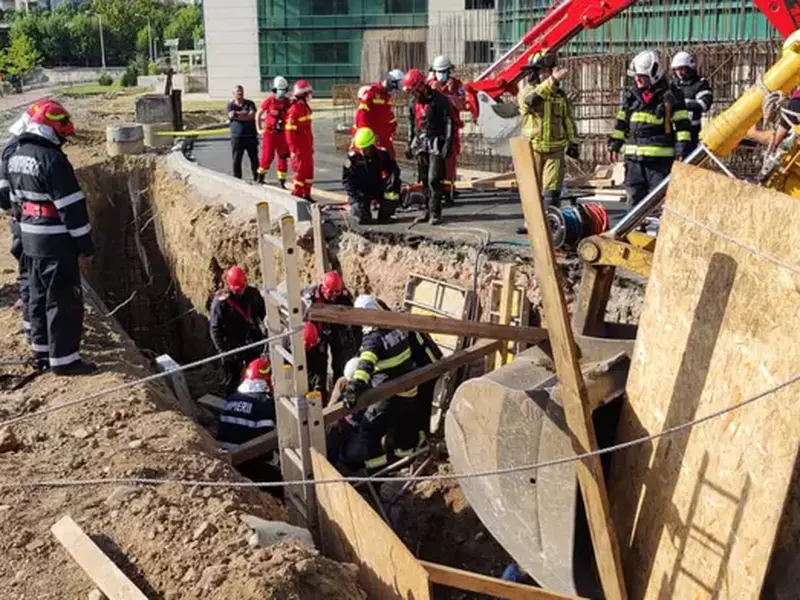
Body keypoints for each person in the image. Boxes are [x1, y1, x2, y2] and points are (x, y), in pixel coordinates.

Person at [7, 100, 96, 374]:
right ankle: (65, 360)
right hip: (56, 240)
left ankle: (42, 352)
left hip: (30, 237)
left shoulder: (17, 154)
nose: (63, 139)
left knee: (37, 296)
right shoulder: (53, 160)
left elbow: (13, 201)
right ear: (51, 128)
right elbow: (72, 208)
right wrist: (85, 244)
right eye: (61, 133)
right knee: (63, 300)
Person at [337, 294, 420, 472]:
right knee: (402, 430)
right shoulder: (396, 325)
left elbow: (365, 366)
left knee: (369, 431)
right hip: (410, 388)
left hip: (390, 393)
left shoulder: (372, 339)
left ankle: (377, 475)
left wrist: (353, 389)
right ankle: (405, 465)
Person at [608, 50, 692, 210]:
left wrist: (681, 148)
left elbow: (682, 125)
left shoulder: (670, 95)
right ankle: (633, 233)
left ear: (653, 74)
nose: (637, 79)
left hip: (658, 163)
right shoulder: (632, 97)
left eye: (641, 75)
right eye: (635, 75)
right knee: (633, 204)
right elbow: (621, 123)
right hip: (634, 162)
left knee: (658, 204)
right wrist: (615, 143)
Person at [517, 51, 579, 234]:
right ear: (535, 73)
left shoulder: (559, 96)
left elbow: (568, 120)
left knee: (551, 192)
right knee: (531, 191)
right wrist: (552, 80)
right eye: (544, 71)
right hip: (532, 150)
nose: (548, 74)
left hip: (555, 150)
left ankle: (550, 225)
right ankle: (531, 224)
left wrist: (574, 142)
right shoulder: (526, 92)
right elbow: (531, 101)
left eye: (549, 71)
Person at [403, 69, 455, 226]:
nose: (413, 94)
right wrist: (409, 142)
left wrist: (448, 142)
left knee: (434, 179)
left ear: (421, 85)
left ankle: (435, 212)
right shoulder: (414, 102)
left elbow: (449, 121)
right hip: (421, 142)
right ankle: (426, 211)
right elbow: (412, 123)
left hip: (436, 142)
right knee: (424, 179)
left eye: (414, 90)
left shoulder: (440, 100)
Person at [216, 357, 279, 484]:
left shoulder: (233, 398)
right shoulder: (263, 403)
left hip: (224, 457)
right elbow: (267, 443)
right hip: (246, 461)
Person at [0, 106, 34, 339]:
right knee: (31, 272)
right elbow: (3, 192)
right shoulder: (15, 151)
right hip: (26, 222)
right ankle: (32, 326)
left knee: (29, 271)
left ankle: (32, 327)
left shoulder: (13, 148)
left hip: (22, 219)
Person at [209, 266, 267, 394]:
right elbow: (215, 329)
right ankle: (231, 399)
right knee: (232, 379)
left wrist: (261, 330)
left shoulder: (253, 294)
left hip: (252, 340)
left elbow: (263, 313)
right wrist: (224, 352)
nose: (240, 292)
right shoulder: (220, 303)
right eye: (237, 290)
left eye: (242, 288)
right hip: (231, 345)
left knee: (256, 375)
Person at [302, 270, 360, 393]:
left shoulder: (344, 296)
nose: (333, 295)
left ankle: (339, 390)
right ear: (323, 288)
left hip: (336, 328)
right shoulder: (309, 297)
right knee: (318, 365)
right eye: (330, 292)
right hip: (317, 330)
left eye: (336, 292)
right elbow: (300, 318)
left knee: (341, 360)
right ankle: (320, 392)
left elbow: (353, 316)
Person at [342, 127, 401, 225]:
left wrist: (392, 182)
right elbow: (347, 181)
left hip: (377, 187)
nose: (363, 151)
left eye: (366, 148)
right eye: (361, 148)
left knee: (393, 192)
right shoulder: (352, 159)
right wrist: (356, 196)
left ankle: (385, 215)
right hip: (360, 191)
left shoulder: (381, 154)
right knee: (362, 218)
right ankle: (360, 211)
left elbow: (393, 169)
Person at [429, 55, 467, 202]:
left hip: (452, 127)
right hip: (435, 129)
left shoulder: (457, 85)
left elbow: (462, 104)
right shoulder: (429, 85)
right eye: (438, 71)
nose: (441, 74)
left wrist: (447, 96)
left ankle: (448, 188)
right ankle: (435, 189)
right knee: (435, 158)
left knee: (450, 159)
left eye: (444, 71)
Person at [353, 69, 405, 159]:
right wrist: (367, 134)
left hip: (383, 138)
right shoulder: (372, 93)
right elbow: (362, 114)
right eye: (394, 88)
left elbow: (388, 114)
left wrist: (393, 126)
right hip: (371, 139)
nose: (395, 92)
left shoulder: (387, 97)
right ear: (390, 82)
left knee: (390, 162)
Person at [670, 51, 713, 153]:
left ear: (689, 68)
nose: (679, 73)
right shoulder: (674, 85)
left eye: (682, 69)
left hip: (692, 132)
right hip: (673, 131)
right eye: (676, 70)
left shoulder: (700, 84)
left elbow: (704, 104)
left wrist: (684, 103)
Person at [256, 76, 292, 188]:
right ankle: (260, 177)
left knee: (282, 156)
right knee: (267, 156)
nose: (281, 93)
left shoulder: (288, 102)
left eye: (283, 90)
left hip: (282, 133)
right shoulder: (270, 100)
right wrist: (259, 129)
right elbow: (258, 114)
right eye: (279, 90)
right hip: (270, 133)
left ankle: (282, 181)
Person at [408, 329, 442, 443]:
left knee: (422, 405)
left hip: (428, 368)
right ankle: (424, 436)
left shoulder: (402, 332)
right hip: (427, 364)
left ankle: (423, 439)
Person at [285, 79, 314, 200]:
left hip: (306, 148)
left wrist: (311, 146)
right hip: (299, 150)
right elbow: (289, 133)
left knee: (309, 174)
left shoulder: (305, 108)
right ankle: (297, 196)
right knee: (300, 174)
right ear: (303, 94)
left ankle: (307, 194)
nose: (310, 96)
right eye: (308, 93)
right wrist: (293, 150)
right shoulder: (294, 110)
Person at [227, 85, 259, 182]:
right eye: (237, 91)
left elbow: (251, 116)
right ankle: (237, 180)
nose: (240, 93)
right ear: (234, 94)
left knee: (254, 159)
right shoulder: (230, 105)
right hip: (237, 137)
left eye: (241, 91)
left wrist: (237, 115)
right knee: (237, 160)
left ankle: (257, 178)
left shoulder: (250, 103)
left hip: (251, 137)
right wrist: (244, 113)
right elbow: (231, 115)